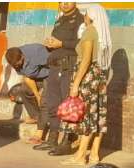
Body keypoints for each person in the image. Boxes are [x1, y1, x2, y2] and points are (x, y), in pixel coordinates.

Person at [60, 3, 111, 165]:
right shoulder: (102, 33)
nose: (84, 16)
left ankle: (81, 156)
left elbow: (86, 60)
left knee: (87, 116)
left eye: (86, 14)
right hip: (99, 77)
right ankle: (94, 155)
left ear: (92, 16)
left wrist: (75, 84)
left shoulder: (90, 32)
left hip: (88, 77)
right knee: (98, 117)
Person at [34, 2, 84, 155]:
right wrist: (50, 44)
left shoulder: (80, 20)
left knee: (68, 105)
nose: (64, 4)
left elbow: (81, 44)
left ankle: (67, 142)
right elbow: (56, 43)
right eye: (61, 1)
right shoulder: (59, 20)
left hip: (67, 67)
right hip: (54, 67)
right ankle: (52, 139)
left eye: (68, 1)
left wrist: (61, 43)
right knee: (52, 104)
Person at [5, 44, 50, 144]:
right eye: (15, 66)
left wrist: (42, 95)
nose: (17, 67)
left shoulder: (37, 52)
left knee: (44, 100)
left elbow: (54, 66)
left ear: (23, 56)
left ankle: (40, 132)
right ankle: (37, 117)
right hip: (36, 77)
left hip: (50, 74)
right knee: (23, 90)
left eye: (18, 64)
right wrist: (37, 94)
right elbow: (27, 77)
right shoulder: (14, 60)